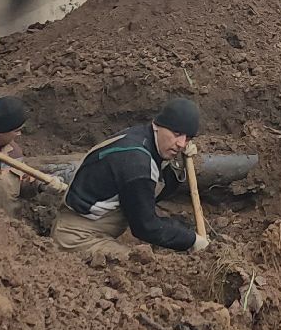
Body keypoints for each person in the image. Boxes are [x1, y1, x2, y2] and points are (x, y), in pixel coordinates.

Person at [50, 97, 210, 263]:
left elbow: (151, 194)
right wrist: (192, 240)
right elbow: (145, 227)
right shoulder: (137, 163)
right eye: (176, 134)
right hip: (76, 237)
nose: (181, 144)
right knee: (140, 268)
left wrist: (178, 164)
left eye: (188, 138)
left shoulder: (143, 138)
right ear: (158, 126)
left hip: (89, 226)